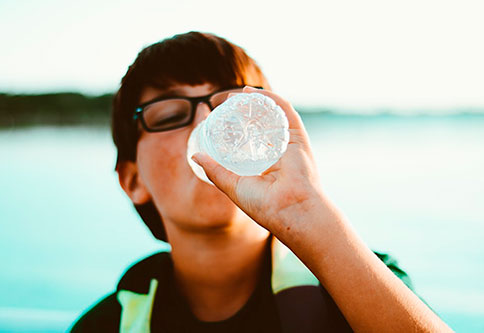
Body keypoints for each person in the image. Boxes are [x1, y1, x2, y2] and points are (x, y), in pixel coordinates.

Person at [71, 31, 451, 332]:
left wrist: (306, 212)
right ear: (132, 178)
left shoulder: (362, 285)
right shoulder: (104, 326)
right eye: (170, 114)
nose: (209, 124)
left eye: (234, 108)